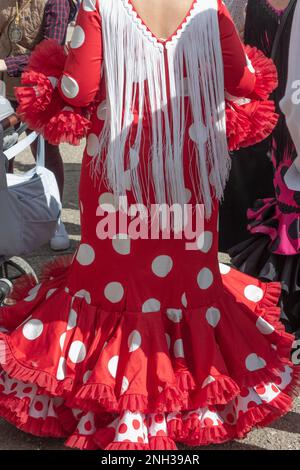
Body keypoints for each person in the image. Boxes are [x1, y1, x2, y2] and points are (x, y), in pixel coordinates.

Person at [0, 0, 298, 451]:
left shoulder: (100, 5)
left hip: (118, 173)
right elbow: (244, 81)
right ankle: (186, 384)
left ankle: (113, 386)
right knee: (186, 279)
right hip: (188, 171)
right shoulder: (207, 7)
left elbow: (79, 91)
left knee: (114, 280)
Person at [226, 0, 300, 340]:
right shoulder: (245, 3)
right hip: (268, 106)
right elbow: (236, 47)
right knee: (278, 189)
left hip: (289, 107)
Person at [0, 0, 77, 251]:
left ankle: (54, 218)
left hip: (41, 87)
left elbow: (52, 52)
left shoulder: (57, 2)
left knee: (45, 151)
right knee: (3, 152)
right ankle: (5, 217)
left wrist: (6, 64)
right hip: (4, 88)